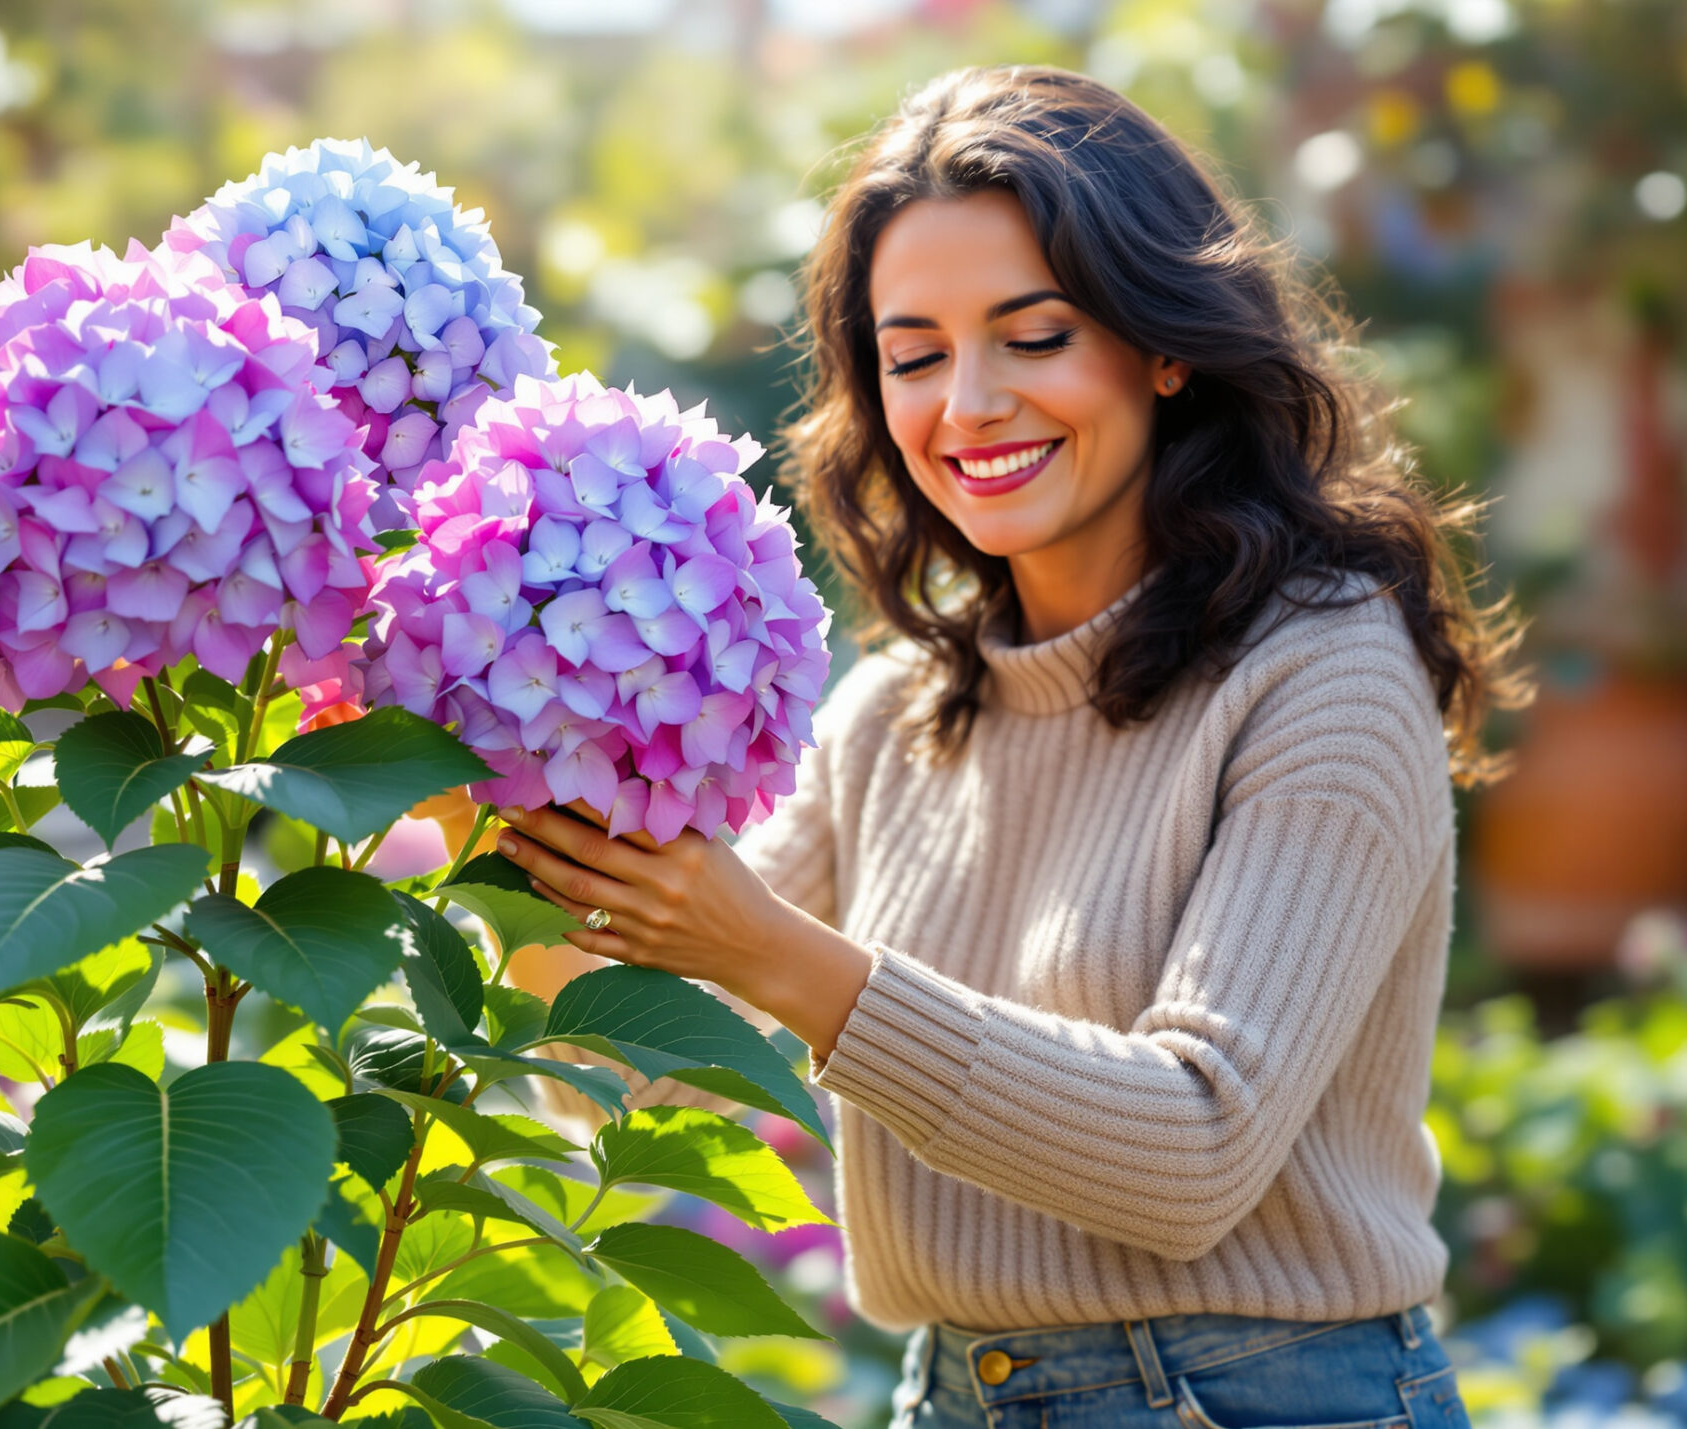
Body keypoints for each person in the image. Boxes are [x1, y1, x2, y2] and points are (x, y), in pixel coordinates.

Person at [490, 64, 1522, 1429]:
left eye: (1032, 336)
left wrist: (772, 953)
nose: (966, 404)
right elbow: (638, 1065)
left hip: (1265, 1401)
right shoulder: (901, 707)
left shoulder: (1319, 671)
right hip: (956, 1394)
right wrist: (494, 797)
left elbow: (1196, 1146)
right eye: (913, 355)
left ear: (1164, 344)